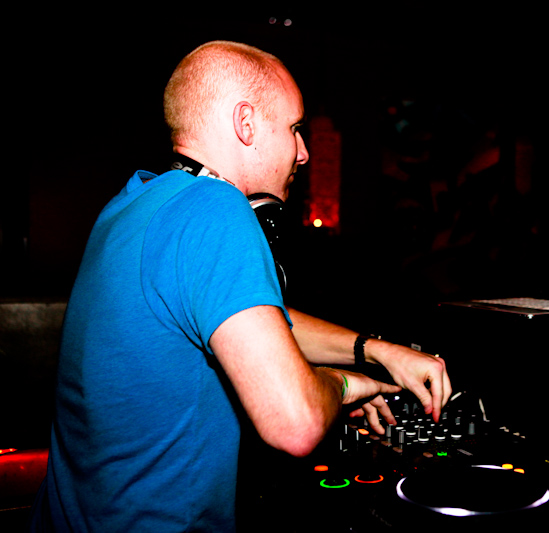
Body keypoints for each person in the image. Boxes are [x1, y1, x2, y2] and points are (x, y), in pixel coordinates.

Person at [29, 40, 451, 532]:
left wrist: (373, 350)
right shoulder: (217, 209)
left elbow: (249, 320)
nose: (303, 152)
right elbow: (295, 424)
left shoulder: (132, 204)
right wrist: (345, 384)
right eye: (294, 128)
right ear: (246, 123)